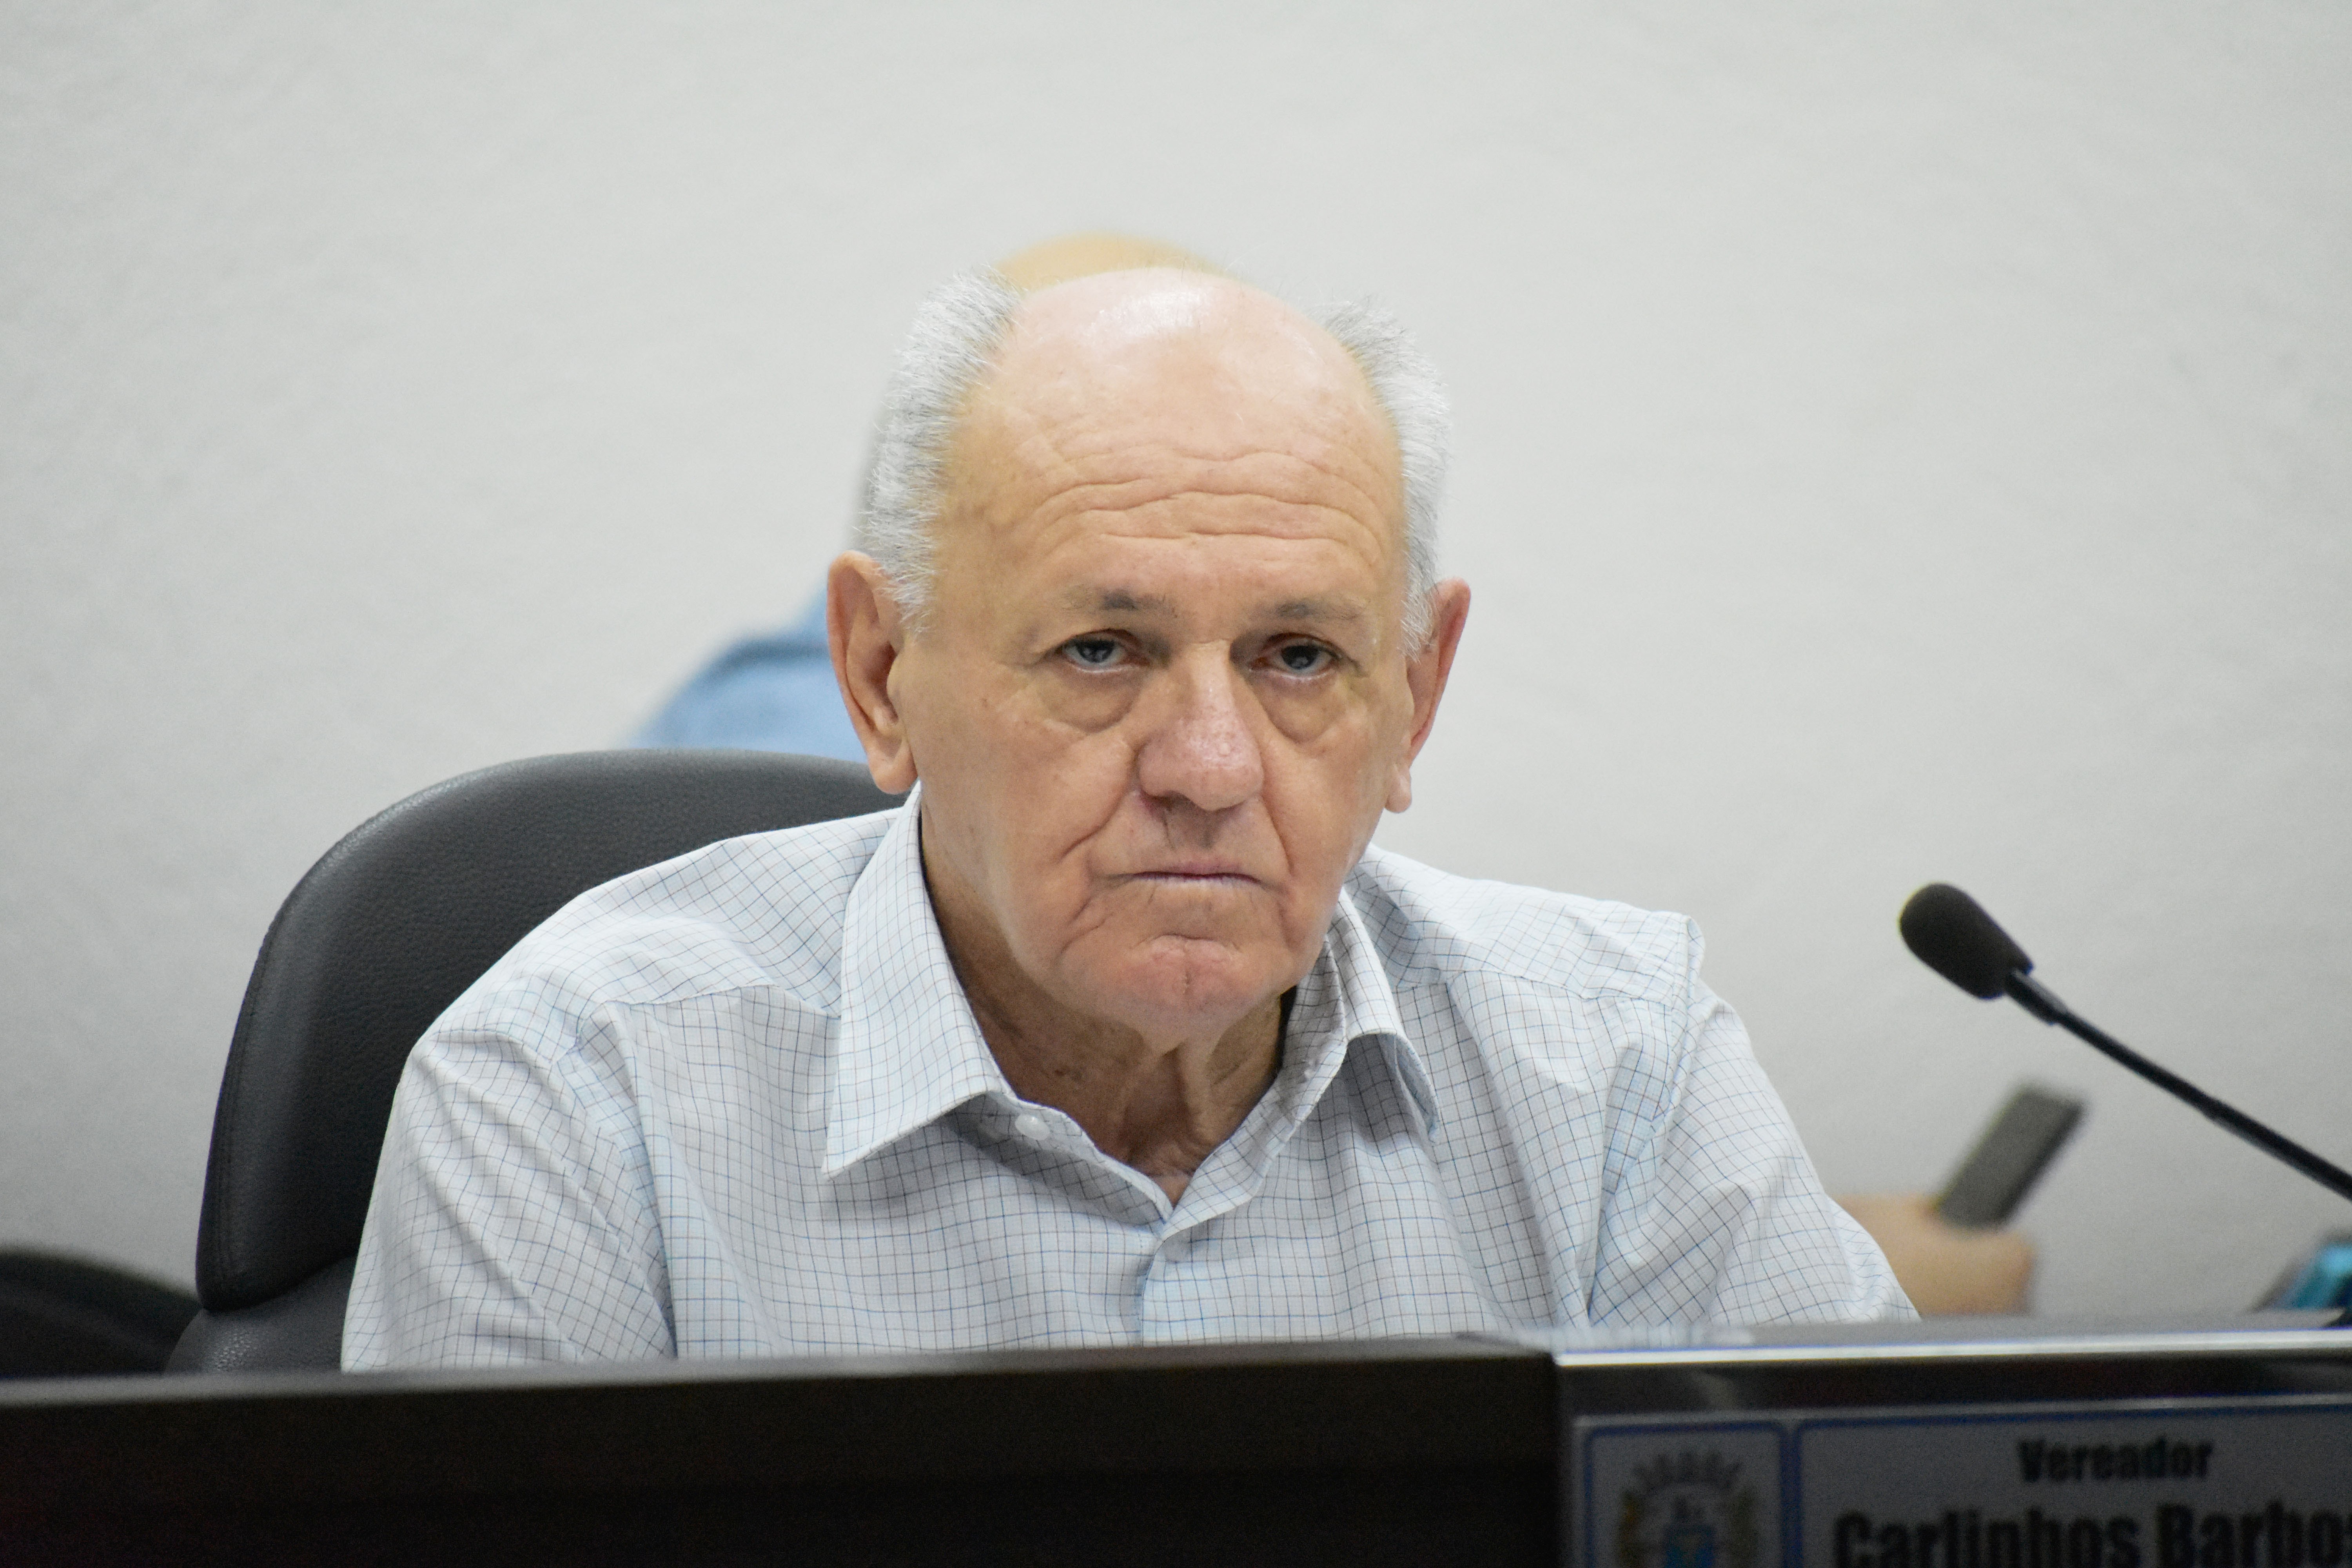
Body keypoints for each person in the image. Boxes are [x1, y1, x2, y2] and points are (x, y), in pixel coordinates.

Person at [345, 259, 1909, 1370]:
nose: (1211, 766)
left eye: (1300, 657)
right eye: (1102, 651)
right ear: (882, 674)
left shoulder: (1619, 1070)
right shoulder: (576, 1097)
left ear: (1414, 700)